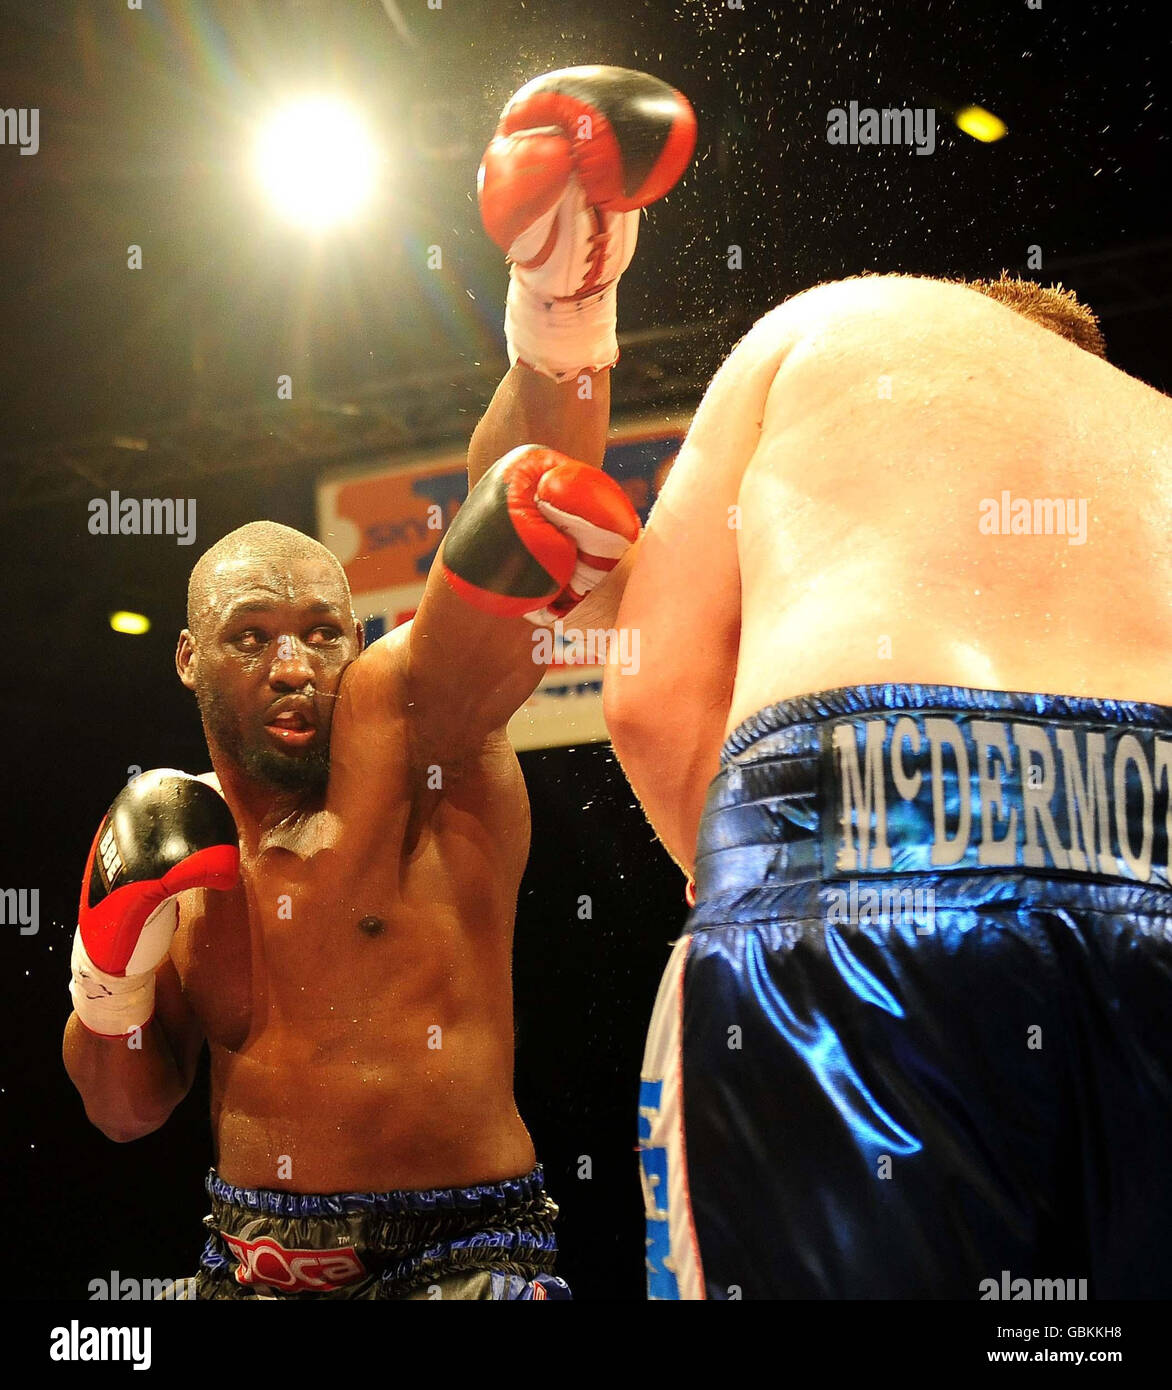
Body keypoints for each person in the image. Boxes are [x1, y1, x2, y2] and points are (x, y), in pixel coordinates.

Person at [62, 65, 693, 1300]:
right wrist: (110, 970)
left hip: (468, 1254)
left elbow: (515, 502)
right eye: (252, 637)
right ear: (190, 656)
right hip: (245, 1260)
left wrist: (561, 294)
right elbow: (125, 1111)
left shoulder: (411, 726)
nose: (296, 661)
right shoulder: (171, 841)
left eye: (321, 630)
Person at [603, 270, 1172, 1299]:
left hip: (867, 844)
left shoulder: (832, 324)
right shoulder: (1148, 424)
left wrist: (738, 862)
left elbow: (646, 693)